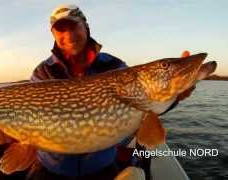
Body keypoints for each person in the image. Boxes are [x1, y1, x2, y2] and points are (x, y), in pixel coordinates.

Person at [29, 4, 195, 180]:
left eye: (73, 26)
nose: (68, 35)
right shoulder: (43, 72)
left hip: (100, 168)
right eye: (61, 30)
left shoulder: (113, 66)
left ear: (86, 26)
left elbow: (146, 108)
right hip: (51, 168)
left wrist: (175, 96)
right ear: (53, 35)